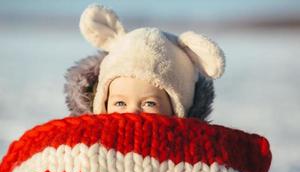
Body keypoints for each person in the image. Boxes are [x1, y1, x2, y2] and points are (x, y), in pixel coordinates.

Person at [64, 4, 225, 121]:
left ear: (178, 109)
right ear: (103, 103)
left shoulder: (196, 153)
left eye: (149, 103)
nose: (132, 112)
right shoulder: (84, 145)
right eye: (120, 102)